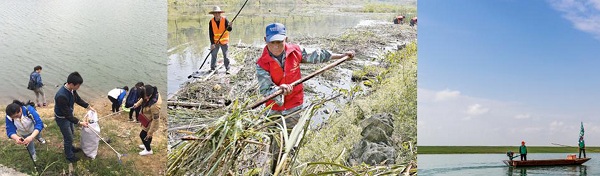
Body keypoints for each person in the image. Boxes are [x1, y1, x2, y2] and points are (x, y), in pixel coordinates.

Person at [255, 23, 354, 172]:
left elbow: (318, 55)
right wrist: (279, 90)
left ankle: (284, 167)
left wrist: (341, 56)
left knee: (287, 140)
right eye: (272, 42)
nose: (276, 46)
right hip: (273, 108)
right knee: (274, 139)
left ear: (285, 39)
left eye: (279, 42)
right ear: (265, 40)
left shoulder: (295, 51)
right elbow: (265, 89)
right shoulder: (262, 63)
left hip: (293, 105)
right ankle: (274, 167)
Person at [54, 72, 95, 163]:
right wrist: (80, 123)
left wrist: (88, 106)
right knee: (68, 137)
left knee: (71, 133)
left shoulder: (72, 89)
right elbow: (66, 115)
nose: (79, 87)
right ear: (71, 84)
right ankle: (69, 155)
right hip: (62, 119)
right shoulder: (61, 96)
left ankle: (71, 148)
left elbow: (77, 99)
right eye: (78, 85)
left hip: (69, 116)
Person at [132, 84, 162, 156]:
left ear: (150, 95)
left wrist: (151, 132)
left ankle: (148, 150)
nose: (146, 99)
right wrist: (137, 104)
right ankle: (146, 145)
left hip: (151, 122)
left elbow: (156, 120)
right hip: (146, 118)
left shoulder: (155, 106)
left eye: (146, 97)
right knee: (146, 135)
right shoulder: (150, 92)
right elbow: (143, 98)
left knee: (143, 135)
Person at [208, 6, 233, 74]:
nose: (217, 14)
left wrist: (230, 26)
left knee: (226, 55)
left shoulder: (225, 20)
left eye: (218, 13)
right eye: (215, 13)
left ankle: (228, 69)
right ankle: (213, 68)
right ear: (213, 14)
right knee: (213, 55)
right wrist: (212, 43)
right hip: (215, 42)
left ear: (220, 13)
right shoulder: (211, 22)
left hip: (224, 42)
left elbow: (229, 30)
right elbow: (211, 33)